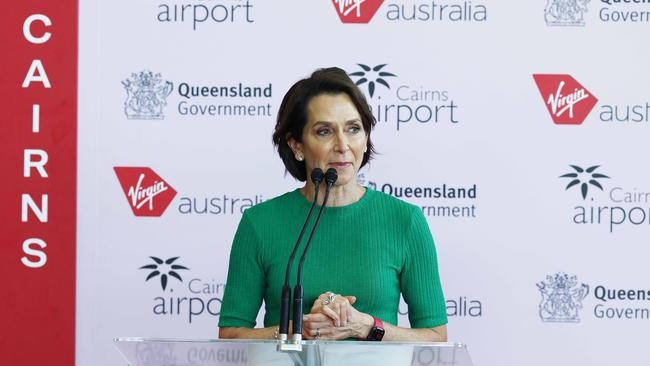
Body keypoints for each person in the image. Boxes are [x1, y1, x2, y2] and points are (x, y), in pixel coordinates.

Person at [218, 67, 447, 342]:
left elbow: (436, 338)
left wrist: (365, 326)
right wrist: (296, 331)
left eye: (353, 129)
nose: (343, 145)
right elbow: (230, 336)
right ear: (297, 145)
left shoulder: (405, 220)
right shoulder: (260, 223)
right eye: (324, 131)